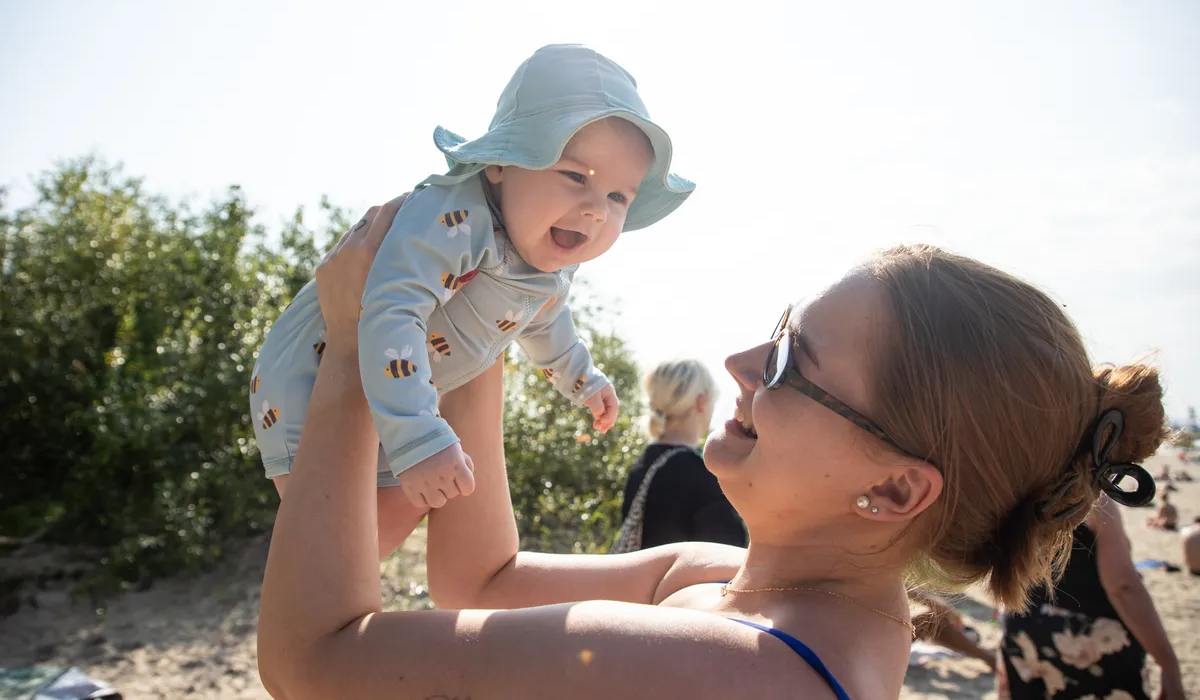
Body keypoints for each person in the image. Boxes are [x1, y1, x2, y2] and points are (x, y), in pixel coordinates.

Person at [258, 216, 1171, 700]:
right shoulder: (747, 592)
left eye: (788, 362)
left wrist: (352, 355)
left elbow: (312, 664)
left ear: (894, 487)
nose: (740, 363)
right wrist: (482, 317)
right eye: (776, 332)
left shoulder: (734, 668)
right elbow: (479, 577)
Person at [249, 44, 694, 542]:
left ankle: (340, 596)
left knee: (388, 527)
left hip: (395, 393)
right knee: (331, 536)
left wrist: (582, 378)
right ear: (500, 164)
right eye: (575, 176)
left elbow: (547, 321)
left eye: (617, 197)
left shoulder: (545, 261)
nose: (595, 209)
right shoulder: (454, 215)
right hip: (307, 384)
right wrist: (418, 432)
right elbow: (392, 310)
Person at [998, 498, 1185, 699]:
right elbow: (1121, 586)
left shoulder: (1014, 485)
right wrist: (1167, 663)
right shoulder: (1091, 495)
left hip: (1022, 625)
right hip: (1085, 632)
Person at [614, 359, 747, 552]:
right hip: (686, 583)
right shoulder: (701, 474)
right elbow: (729, 553)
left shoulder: (643, 465)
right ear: (701, 402)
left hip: (644, 581)